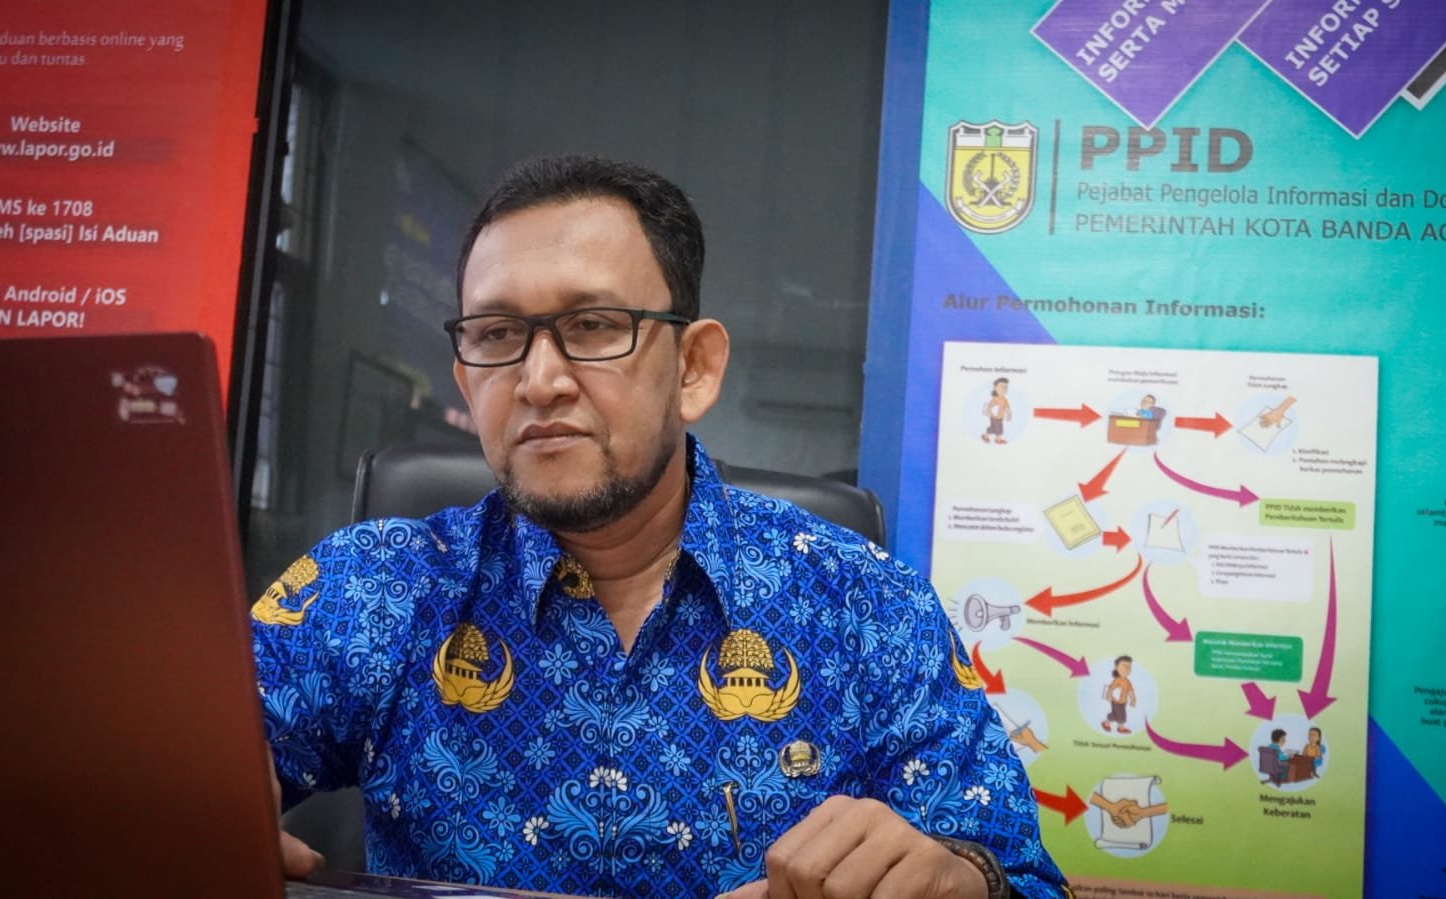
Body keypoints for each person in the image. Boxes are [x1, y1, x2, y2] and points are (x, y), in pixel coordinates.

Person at [253, 155, 1069, 898]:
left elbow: (1026, 881)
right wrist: (199, 804)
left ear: (694, 367)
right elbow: (208, 760)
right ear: (467, 380)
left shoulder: (865, 603)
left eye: (593, 325)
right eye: (498, 335)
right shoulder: (376, 587)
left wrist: (960, 880)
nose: (538, 379)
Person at [1101, 655, 1135, 734]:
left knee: (1115, 714)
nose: (1127, 668)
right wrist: (1109, 696)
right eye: (1124, 666)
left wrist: (1133, 700)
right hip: (1116, 702)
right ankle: (1121, 728)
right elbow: (1110, 689)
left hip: (1123, 702)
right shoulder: (1117, 680)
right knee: (1121, 715)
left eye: (1129, 667)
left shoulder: (1127, 682)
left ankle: (1106, 723)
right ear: (1116, 667)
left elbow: (1130, 691)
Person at [982, 378, 1012, 444]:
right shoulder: (995, 399)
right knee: (999, 429)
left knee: (992, 428)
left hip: (1000, 418)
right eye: (1002, 387)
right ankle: (998, 440)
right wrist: (988, 412)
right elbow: (990, 406)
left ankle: (985, 436)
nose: (1004, 389)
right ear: (995, 388)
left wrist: (1009, 415)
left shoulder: (1005, 399)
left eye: (1006, 387)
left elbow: (1007, 408)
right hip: (995, 417)